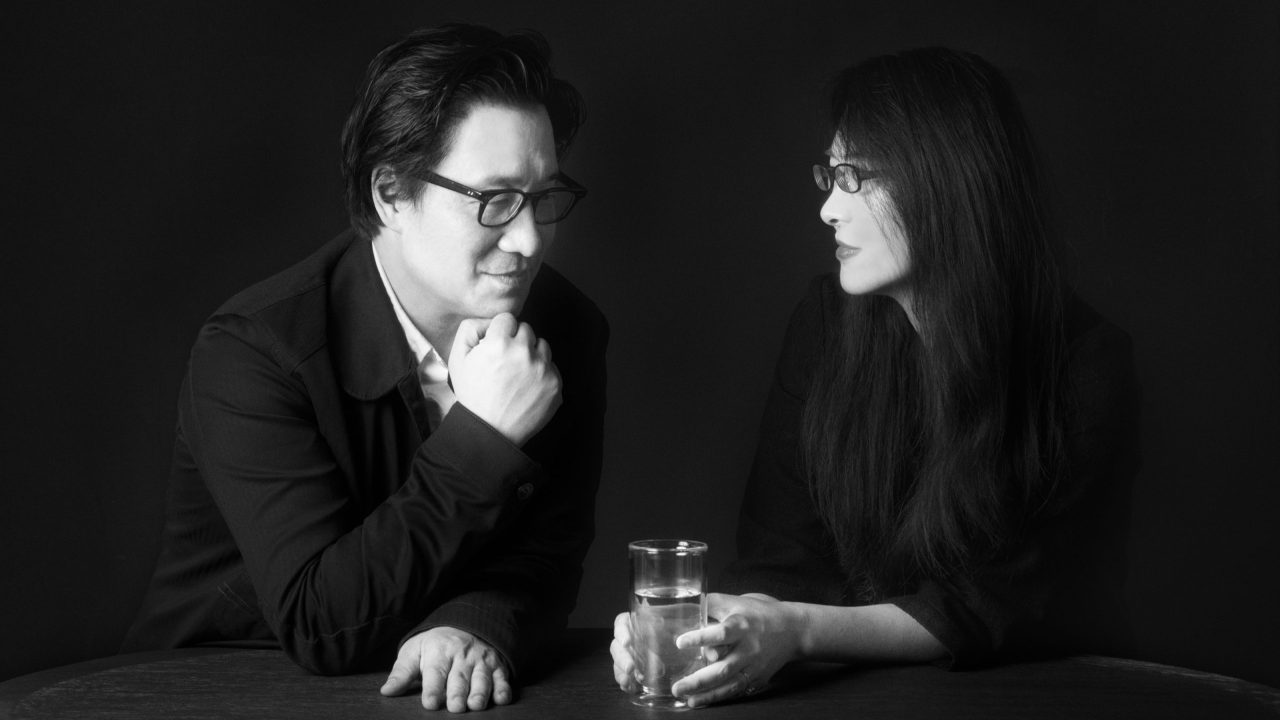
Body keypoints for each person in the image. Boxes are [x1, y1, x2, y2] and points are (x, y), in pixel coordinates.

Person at [611, 47, 1140, 707]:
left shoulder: (1083, 364)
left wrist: (799, 629)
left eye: (856, 176)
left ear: (946, 184)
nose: (830, 210)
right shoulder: (826, 324)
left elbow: (996, 606)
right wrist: (718, 629)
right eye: (830, 176)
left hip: (1027, 698)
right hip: (846, 694)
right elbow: (781, 558)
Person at [123, 24, 607, 714]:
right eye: (494, 201)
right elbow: (321, 623)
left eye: (544, 198)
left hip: (436, 693)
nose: (529, 239)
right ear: (391, 195)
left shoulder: (567, 330)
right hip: (221, 690)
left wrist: (470, 624)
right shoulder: (253, 351)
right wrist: (484, 438)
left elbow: (548, 554)